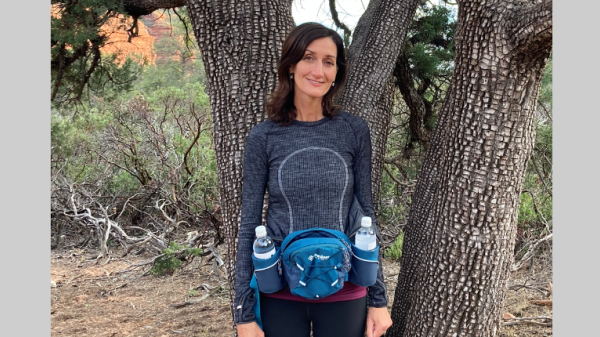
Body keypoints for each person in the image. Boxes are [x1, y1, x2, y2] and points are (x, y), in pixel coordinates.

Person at [234, 22, 392, 337]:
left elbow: (366, 216)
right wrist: (243, 313)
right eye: (309, 58)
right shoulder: (264, 136)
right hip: (279, 290)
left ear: (336, 73)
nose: (318, 70)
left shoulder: (353, 130)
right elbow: (249, 222)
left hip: (345, 288)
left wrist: (379, 300)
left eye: (328, 61)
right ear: (290, 65)